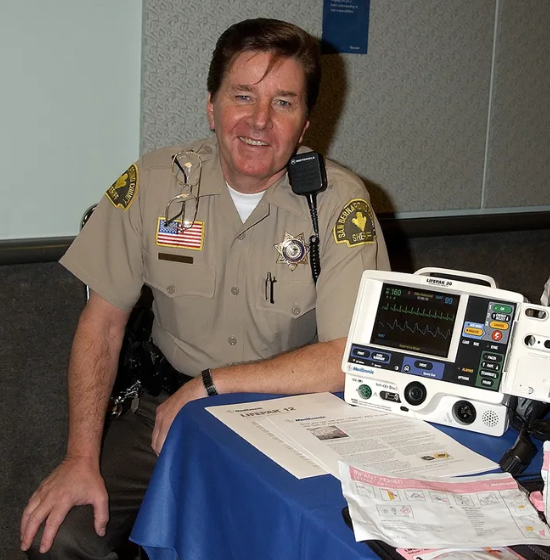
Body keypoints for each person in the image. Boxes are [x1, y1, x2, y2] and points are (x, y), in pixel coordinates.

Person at [20, 17, 390, 558]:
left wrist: (214, 384)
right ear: (212, 107)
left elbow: (347, 357)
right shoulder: (155, 185)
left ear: (306, 123)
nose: (259, 121)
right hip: (162, 408)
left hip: (287, 413)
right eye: (243, 96)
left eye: (283, 102)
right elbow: (102, 325)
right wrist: (79, 458)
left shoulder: (339, 205)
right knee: (63, 536)